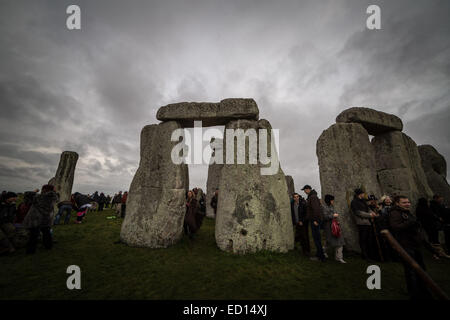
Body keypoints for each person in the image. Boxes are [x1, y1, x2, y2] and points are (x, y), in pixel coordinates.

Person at [389, 195, 433, 299]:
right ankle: (414, 293)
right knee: (411, 270)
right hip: (405, 245)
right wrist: (410, 222)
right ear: (397, 203)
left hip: (414, 244)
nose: (407, 204)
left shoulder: (406, 212)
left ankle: (423, 290)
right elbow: (395, 227)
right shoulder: (395, 213)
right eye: (404, 202)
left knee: (421, 269)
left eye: (408, 202)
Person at [23, 185, 59, 254]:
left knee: (33, 235)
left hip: (36, 218)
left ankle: (30, 251)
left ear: (44, 189)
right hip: (46, 218)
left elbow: (27, 197)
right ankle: (48, 246)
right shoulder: (53, 197)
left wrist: (34, 191)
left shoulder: (38, 197)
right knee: (46, 233)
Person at [351, 188, 377, 261]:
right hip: (361, 223)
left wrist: (372, 213)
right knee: (363, 240)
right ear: (359, 194)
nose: (364, 195)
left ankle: (370, 254)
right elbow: (358, 213)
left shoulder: (363, 201)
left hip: (368, 223)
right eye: (363, 193)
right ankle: (365, 255)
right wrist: (370, 215)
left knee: (369, 239)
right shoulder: (354, 202)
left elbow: (368, 208)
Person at [302, 185, 325, 262]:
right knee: (316, 239)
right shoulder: (312, 196)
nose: (304, 191)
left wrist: (315, 220)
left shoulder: (313, 197)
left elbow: (316, 209)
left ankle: (321, 257)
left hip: (314, 221)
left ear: (308, 189)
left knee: (317, 239)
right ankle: (319, 255)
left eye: (305, 190)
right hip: (314, 220)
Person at [322, 194, 346, 263]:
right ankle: (323, 251)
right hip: (328, 227)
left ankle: (339, 257)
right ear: (329, 200)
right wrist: (333, 215)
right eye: (332, 200)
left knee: (339, 241)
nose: (333, 201)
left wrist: (336, 220)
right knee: (329, 242)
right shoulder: (324, 207)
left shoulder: (332, 206)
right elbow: (325, 216)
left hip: (335, 226)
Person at [291, 193, 310, 257]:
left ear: (299, 197)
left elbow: (306, 214)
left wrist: (302, 221)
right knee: (300, 237)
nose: (296, 198)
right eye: (295, 197)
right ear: (293, 198)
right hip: (297, 223)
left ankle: (307, 251)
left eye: (297, 197)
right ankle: (303, 250)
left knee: (305, 237)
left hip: (303, 223)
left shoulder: (303, 204)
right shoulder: (292, 204)